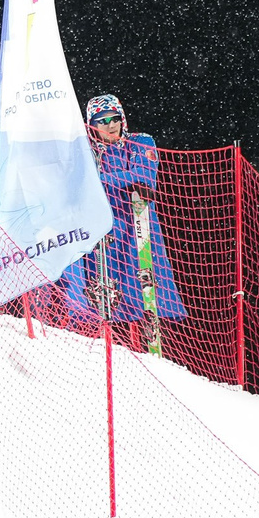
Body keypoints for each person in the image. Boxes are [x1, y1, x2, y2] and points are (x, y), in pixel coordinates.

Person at [61, 91, 182, 345]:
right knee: (105, 296)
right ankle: (109, 346)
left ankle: (152, 347)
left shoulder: (140, 141)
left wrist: (102, 182)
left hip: (138, 226)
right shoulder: (86, 150)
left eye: (114, 118)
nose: (110, 125)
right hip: (101, 230)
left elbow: (146, 177)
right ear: (91, 124)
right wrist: (123, 181)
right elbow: (80, 184)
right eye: (101, 121)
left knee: (142, 290)